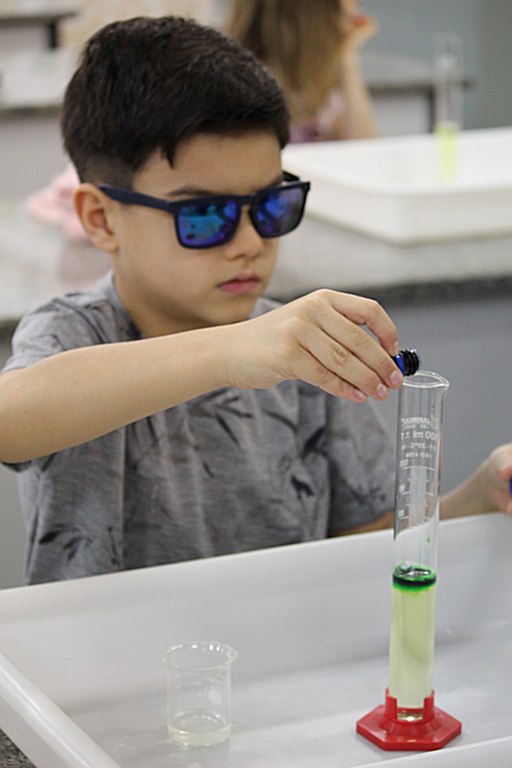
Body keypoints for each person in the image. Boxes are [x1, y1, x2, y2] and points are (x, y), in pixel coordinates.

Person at [0, 16, 510, 585]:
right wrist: (228, 351)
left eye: (270, 206)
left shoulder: (306, 351)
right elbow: (10, 419)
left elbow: (363, 547)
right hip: (105, 641)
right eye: (204, 215)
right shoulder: (76, 334)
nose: (248, 243)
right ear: (100, 218)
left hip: (280, 637)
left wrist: (480, 498)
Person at [226, 0, 377, 142]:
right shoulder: (241, 92)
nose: (355, 9)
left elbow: (363, 148)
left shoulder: (325, 88)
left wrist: (346, 54)